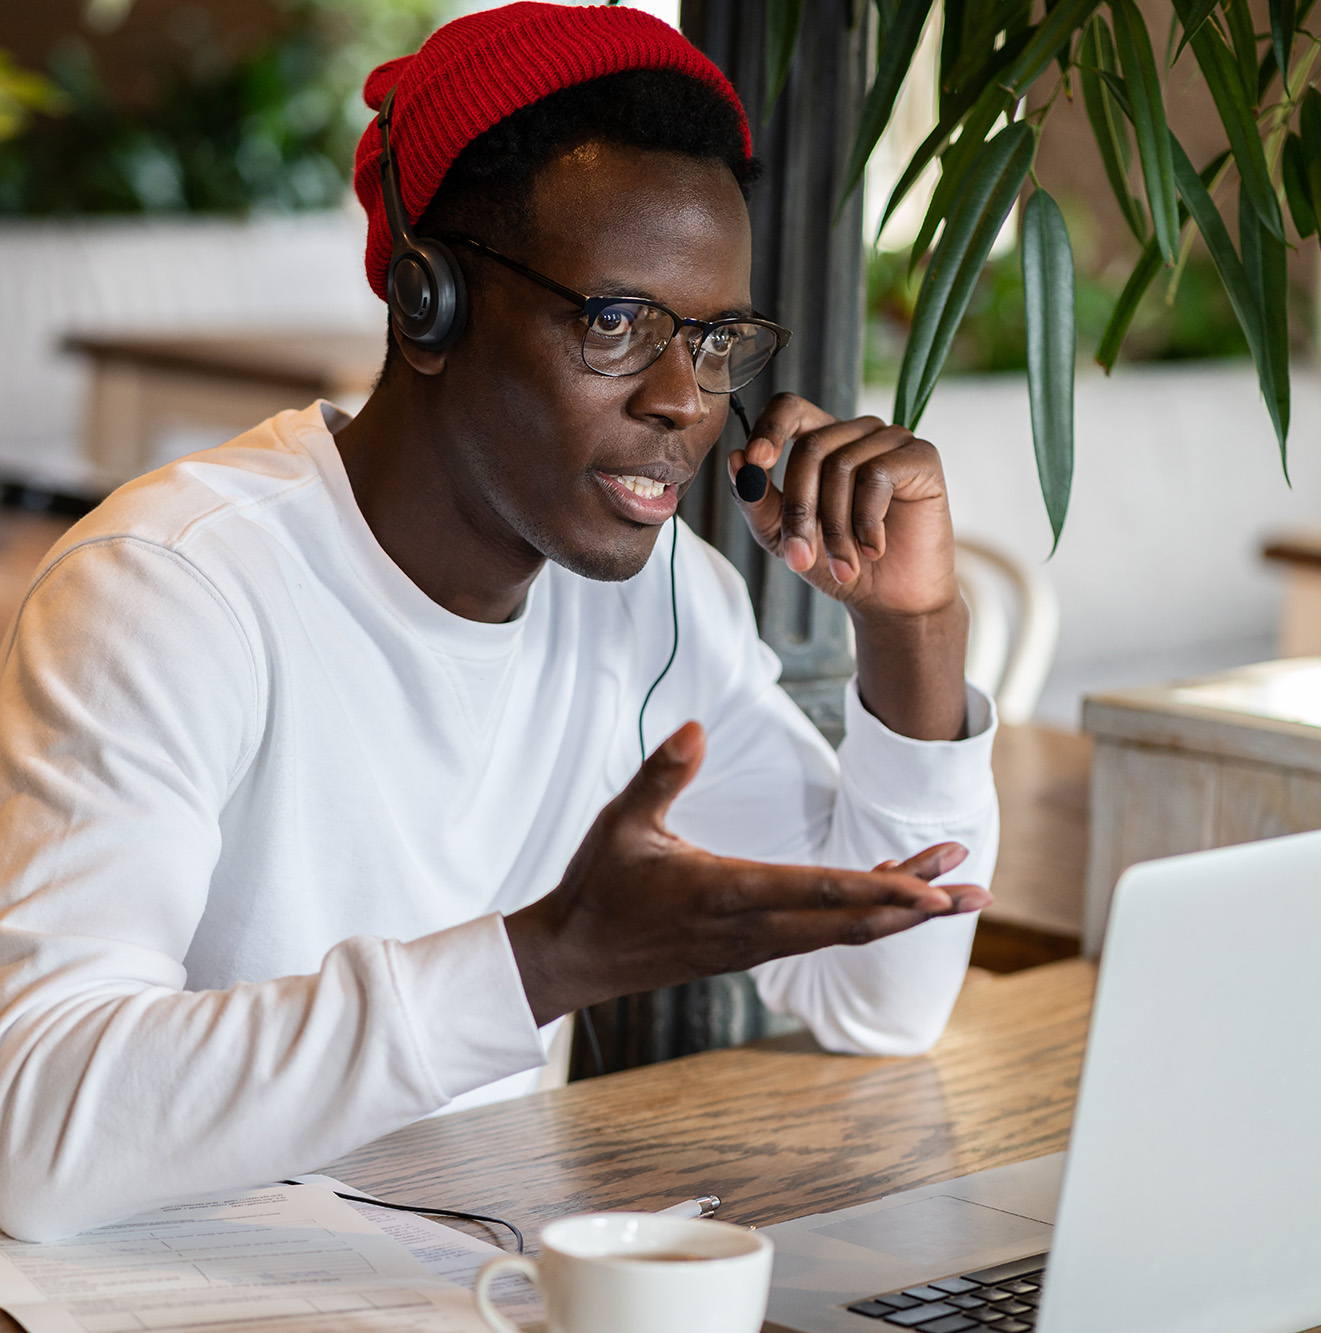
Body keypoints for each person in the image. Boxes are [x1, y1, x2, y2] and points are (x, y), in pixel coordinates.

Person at [0, 2, 998, 1243]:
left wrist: (916, 630)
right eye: (617, 322)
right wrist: (539, 961)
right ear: (432, 304)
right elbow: (33, 1129)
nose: (685, 403)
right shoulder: (170, 587)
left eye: (716, 340)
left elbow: (880, 994)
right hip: (170, 1283)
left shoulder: (665, 600)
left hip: (478, 1271)